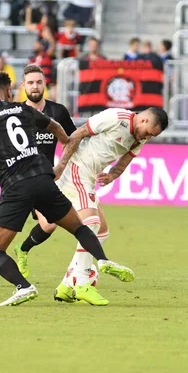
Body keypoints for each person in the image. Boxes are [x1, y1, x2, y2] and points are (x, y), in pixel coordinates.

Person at [0, 72, 135, 306]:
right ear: (9, 91)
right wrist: (66, 143)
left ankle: (23, 286)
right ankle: (103, 260)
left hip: (16, 186)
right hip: (44, 178)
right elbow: (55, 126)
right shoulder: (23, 109)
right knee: (78, 227)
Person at [48, 107, 169, 305]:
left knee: (102, 232)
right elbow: (77, 134)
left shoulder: (140, 138)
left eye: (152, 136)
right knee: (91, 224)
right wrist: (61, 165)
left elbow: (124, 162)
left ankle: (67, 285)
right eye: (149, 133)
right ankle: (82, 285)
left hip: (89, 178)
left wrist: (112, 175)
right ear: (145, 120)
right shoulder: (115, 117)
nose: (148, 137)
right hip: (77, 169)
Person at [0, 64, 77, 287]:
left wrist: (62, 166)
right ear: (23, 86)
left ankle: (23, 250)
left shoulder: (58, 111)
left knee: (50, 224)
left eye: (39, 82)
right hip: (18, 180)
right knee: (6, 232)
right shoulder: (14, 112)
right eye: (30, 83)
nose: (35, 86)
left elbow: (71, 140)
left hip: (46, 179)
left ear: (46, 85)